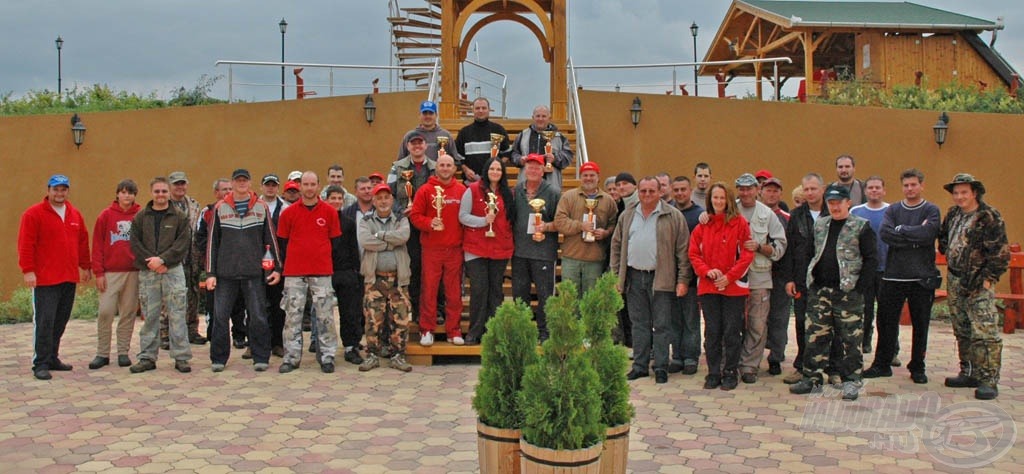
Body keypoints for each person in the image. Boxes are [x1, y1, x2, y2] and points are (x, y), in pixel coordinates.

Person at [789, 184, 877, 401]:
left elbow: (871, 259)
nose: (835, 206)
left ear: (848, 203)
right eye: (831, 203)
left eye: (839, 202)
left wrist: (860, 288)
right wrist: (807, 281)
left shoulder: (861, 226)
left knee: (850, 339)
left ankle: (851, 381)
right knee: (815, 337)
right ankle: (812, 378)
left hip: (848, 292)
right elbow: (810, 253)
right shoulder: (820, 225)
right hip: (820, 291)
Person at [610, 177, 691, 384]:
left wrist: (682, 280)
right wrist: (615, 276)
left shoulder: (673, 216)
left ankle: (661, 366)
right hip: (634, 277)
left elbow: (683, 251)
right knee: (639, 324)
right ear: (638, 191)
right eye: (643, 191)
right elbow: (617, 246)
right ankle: (640, 366)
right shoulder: (628, 215)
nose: (647, 195)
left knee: (663, 325)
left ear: (660, 192)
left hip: (662, 278)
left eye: (651, 191)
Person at [863, 169, 939, 384]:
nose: (909, 189)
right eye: (906, 185)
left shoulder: (931, 210)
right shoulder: (894, 209)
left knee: (921, 324)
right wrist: (914, 234)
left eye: (913, 184)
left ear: (921, 186)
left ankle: (917, 366)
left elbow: (928, 235)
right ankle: (881, 364)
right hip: (894, 275)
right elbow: (886, 234)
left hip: (921, 278)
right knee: (885, 322)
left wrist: (903, 231)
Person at [204, 169, 281, 372]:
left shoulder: (260, 207)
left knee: (258, 316)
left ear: (249, 182)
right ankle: (218, 359)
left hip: (253, 273)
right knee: (220, 317)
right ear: (232, 183)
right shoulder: (220, 208)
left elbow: (270, 241)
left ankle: (261, 357)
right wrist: (210, 273)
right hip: (225, 274)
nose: (241, 183)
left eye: (244, 180)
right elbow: (212, 243)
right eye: (237, 180)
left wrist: (276, 268)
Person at [939, 173, 1008, 400]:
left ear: (974, 193)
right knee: (962, 328)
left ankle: (988, 379)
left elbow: (999, 253)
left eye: (964, 192)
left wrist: (988, 279)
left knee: (985, 331)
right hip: (956, 279)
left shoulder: (989, 217)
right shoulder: (953, 215)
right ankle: (968, 371)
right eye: (956, 193)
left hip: (979, 282)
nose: (959, 197)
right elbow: (944, 240)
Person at [18, 174, 92, 380]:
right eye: (55, 189)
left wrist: (85, 266)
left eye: (63, 189)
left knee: (61, 319)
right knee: (45, 321)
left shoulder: (74, 214)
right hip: (45, 279)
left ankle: (52, 357)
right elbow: (25, 244)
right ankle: (40, 362)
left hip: (68, 276)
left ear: (68, 191)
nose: (59, 193)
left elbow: (82, 242)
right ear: (48, 190)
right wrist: (28, 270)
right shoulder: (33, 214)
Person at [688, 182, 753, 391]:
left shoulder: (740, 224)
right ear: (709, 200)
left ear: (728, 200)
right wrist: (707, 271)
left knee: (732, 332)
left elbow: (746, 254)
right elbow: (693, 254)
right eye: (715, 198)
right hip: (709, 287)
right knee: (712, 331)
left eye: (722, 198)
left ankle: (730, 372)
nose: (718, 201)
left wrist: (730, 277)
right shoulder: (702, 225)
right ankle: (713, 372)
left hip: (733, 287)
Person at [276, 171, 342, 374]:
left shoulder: (329, 212)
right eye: (305, 184)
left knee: (326, 317)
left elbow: (335, 241)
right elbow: (282, 242)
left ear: (318, 186)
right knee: (292, 316)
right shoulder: (288, 213)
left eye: (313, 184)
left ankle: (327, 355)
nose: (309, 188)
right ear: (300, 187)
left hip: (321, 272)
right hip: (294, 272)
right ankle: (291, 357)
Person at [129, 177, 194, 374]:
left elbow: (183, 243)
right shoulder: (141, 217)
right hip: (149, 271)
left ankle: (181, 357)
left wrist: (164, 260)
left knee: (177, 314)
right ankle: (147, 356)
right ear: (151, 193)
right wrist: (153, 262)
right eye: (157, 191)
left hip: (172, 271)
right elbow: (135, 243)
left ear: (168, 193)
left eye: (164, 191)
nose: (160, 195)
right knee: (150, 316)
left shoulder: (180, 216)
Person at [734, 174, 787, 384]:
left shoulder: (767, 215)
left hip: (759, 276)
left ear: (757, 189)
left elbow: (780, 246)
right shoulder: (730, 209)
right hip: (732, 278)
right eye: (741, 188)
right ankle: (730, 363)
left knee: (757, 324)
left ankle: (749, 366)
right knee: (732, 323)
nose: (745, 193)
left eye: (749, 188)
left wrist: (760, 247)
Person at [409, 154, 466, 345]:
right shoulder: (425, 190)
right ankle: (426, 329)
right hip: (432, 248)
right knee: (429, 289)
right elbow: (415, 216)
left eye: (449, 165)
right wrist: (429, 222)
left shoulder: (461, 190)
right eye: (442, 165)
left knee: (453, 292)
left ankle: (454, 330)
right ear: (436, 168)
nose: (445, 168)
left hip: (455, 248)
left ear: (454, 169)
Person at [357, 184, 414, 372]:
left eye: (386, 198)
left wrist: (380, 236)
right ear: (373, 201)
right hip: (375, 281)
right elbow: (366, 241)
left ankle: (398, 355)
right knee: (373, 319)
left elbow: (403, 237)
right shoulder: (366, 221)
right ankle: (372, 354)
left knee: (401, 320)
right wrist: (391, 243)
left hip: (398, 280)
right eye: (379, 198)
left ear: (392, 200)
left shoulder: (400, 219)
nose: (383, 201)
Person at [459, 157, 514, 344]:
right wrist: (483, 221)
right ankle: (475, 332)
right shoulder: (473, 190)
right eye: (492, 168)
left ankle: (494, 332)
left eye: (499, 169)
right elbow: (463, 216)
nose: (495, 172)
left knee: (496, 292)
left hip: (500, 248)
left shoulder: (508, 193)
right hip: (476, 249)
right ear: (486, 170)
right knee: (479, 290)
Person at [89, 179, 141, 370]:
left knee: (128, 313)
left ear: (135, 195)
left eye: (131, 192)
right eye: (123, 192)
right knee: (105, 312)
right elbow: (97, 245)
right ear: (117, 194)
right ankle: (102, 353)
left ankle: (123, 352)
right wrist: (99, 272)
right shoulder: (106, 215)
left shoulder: (140, 215)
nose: (127, 196)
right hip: (111, 272)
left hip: (133, 271)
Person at [389, 132, 439, 322]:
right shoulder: (396, 167)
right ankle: (416, 310)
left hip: (430, 225)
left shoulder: (436, 167)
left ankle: (436, 309)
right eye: (413, 144)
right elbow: (389, 194)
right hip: (407, 224)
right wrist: (402, 212)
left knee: (433, 268)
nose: (417, 147)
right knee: (413, 267)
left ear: (426, 146)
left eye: (420, 143)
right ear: (408, 146)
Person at [511, 154, 561, 341]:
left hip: (544, 253)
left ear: (543, 170)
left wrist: (546, 227)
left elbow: (561, 221)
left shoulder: (553, 192)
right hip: (520, 252)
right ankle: (521, 330)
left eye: (537, 167)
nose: (532, 170)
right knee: (519, 293)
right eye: (529, 167)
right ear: (524, 170)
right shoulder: (516, 191)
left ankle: (544, 331)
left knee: (545, 294)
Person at [782, 173, 826, 384]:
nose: (809, 193)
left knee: (829, 324)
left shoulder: (832, 211)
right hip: (801, 279)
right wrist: (789, 278)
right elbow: (789, 249)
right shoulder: (797, 215)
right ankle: (802, 366)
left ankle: (831, 368)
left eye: (813, 189)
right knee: (801, 323)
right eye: (806, 189)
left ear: (822, 189)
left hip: (827, 279)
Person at [197, 178, 248, 350]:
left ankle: (240, 335)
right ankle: (214, 337)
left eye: (229, 188)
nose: (227, 192)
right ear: (216, 193)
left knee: (239, 304)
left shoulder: (240, 209)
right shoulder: (208, 212)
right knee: (215, 306)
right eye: (223, 189)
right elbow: (201, 238)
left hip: (238, 265)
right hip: (216, 267)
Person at [553, 161, 617, 297]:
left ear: (598, 177)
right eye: (585, 175)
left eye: (592, 175)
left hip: (595, 259)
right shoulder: (568, 197)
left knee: (592, 299)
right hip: (571, 257)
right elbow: (559, 221)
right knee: (569, 299)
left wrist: (606, 233)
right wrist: (581, 226)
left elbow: (614, 224)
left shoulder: (608, 200)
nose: (588, 178)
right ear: (581, 177)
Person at [849, 176, 890, 356]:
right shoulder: (856, 211)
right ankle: (864, 342)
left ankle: (891, 348)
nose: (874, 191)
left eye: (877, 188)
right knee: (864, 310)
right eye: (870, 188)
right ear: (865, 192)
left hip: (886, 269)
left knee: (887, 313)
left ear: (884, 190)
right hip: (864, 270)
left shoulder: (891, 211)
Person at [325, 185, 365, 365]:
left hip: (346, 272)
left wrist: (356, 272)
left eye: (339, 198)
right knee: (323, 313)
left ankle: (351, 346)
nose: (336, 201)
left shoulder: (348, 222)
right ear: (326, 200)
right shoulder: (320, 220)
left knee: (350, 312)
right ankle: (325, 348)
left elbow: (353, 248)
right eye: (332, 198)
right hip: (324, 272)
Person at [166, 171, 207, 346]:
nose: (180, 187)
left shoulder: (194, 205)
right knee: (170, 296)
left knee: (193, 293)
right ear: (170, 186)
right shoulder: (164, 206)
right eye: (176, 184)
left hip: (192, 257)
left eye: (182, 183)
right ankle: (165, 334)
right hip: (172, 258)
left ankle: (192, 330)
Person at [668, 176, 704, 375]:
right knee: (674, 319)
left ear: (690, 190)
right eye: (677, 190)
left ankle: (691, 357)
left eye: (683, 189)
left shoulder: (700, 216)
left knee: (690, 319)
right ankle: (678, 356)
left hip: (691, 277)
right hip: (669, 276)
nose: (680, 193)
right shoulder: (667, 212)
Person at [760, 177, 792, 376]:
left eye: (775, 191)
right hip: (757, 274)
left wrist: (790, 277)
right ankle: (753, 355)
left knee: (779, 319)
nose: (771, 194)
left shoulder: (788, 218)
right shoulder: (754, 214)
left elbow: (792, 249)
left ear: (780, 194)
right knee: (755, 319)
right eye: (768, 190)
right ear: (761, 192)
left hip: (780, 276)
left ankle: (775, 357)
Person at [511, 105, 573, 191]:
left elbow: (568, 157)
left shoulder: (560, 137)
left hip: (551, 185)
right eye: (538, 116)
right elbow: (513, 153)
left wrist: (555, 158)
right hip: (526, 185)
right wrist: (519, 160)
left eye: (544, 116)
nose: (540, 119)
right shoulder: (522, 135)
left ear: (549, 118)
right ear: (533, 117)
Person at [260, 173, 289, 357]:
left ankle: (277, 343)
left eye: (273, 185)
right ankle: (256, 343)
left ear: (278, 188)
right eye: (267, 185)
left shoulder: (285, 209)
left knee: (278, 306)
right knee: (256, 306)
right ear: (262, 187)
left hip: (279, 263)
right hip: (257, 264)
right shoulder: (253, 206)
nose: (270, 188)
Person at [455, 97, 511, 182]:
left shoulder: (499, 130)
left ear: (489, 110)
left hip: (495, 183)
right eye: (477, 108)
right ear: (473, 110)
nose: (480, 111)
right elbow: (458, 157)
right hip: (471, 182)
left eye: (484, 108)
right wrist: (466, 170)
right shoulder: (464, 132)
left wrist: (496, 168)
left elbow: (507, 154)